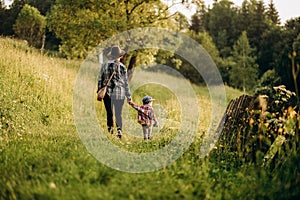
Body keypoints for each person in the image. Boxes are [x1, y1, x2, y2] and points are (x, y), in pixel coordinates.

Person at [97, 45, 132, 139]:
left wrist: (99, 91)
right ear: (120, 56)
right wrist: (129, 97)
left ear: (111, 55)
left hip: (107, 93)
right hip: (120, 93)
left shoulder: (104, 65)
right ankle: (119, 131)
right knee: (118, 114)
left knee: (109, 113)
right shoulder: (123, 67)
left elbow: (100, 79)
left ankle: (110, 132)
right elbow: (125, 83)